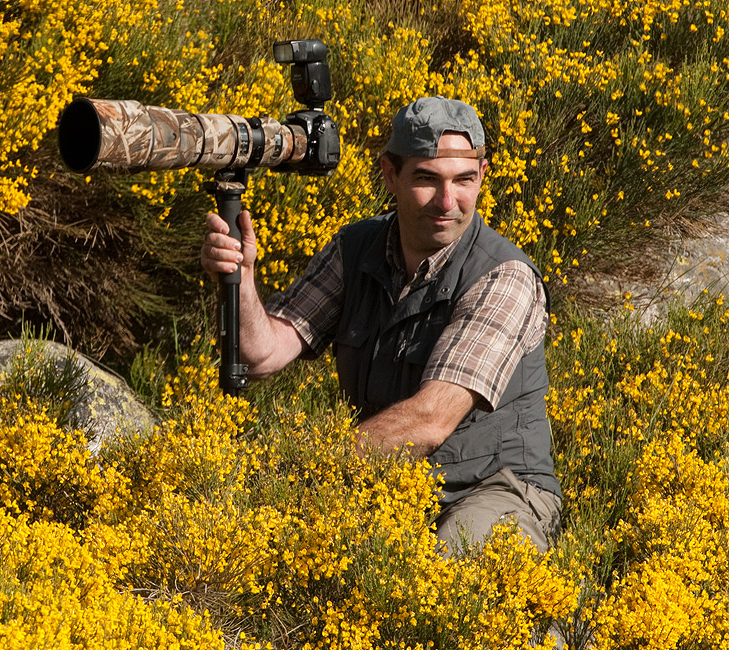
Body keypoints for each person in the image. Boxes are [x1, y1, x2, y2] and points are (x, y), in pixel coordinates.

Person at [200, 96, 561, 555]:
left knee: (454, 559)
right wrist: (242, 280)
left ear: (482, 175)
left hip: (494, 488)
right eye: (427, 179)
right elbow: (261, 355)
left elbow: (430, 421)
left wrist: (303, 472)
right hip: (388, 483)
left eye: (464, 180)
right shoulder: (357, 247)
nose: (447, 202)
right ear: (391, 175)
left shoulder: (503, 275)